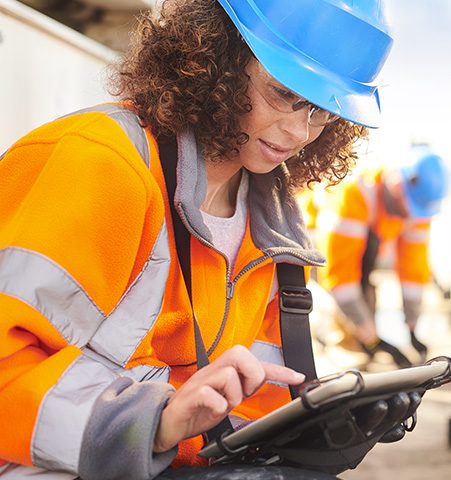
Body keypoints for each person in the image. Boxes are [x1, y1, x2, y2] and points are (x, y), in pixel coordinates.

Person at [0, 0, 419, 479]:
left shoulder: (274, 229)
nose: (301, 131)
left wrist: (308, 430)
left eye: (324, 111)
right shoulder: (97, 165)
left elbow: (250, 402)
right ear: (215, 58)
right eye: (284, 93)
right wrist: (153, 423)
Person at [315, 144, 450, 367]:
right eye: (412, 208)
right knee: (349, 323)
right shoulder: (354, 193)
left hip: (357, 262)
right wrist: (372, 339)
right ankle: (339, 342)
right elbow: (338, 276)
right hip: (314, 255)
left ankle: (359, 340)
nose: (413, 215)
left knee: (368, 269)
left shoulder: (416, 207)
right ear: (397, 185)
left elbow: (413, 271)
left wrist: (412, 328)